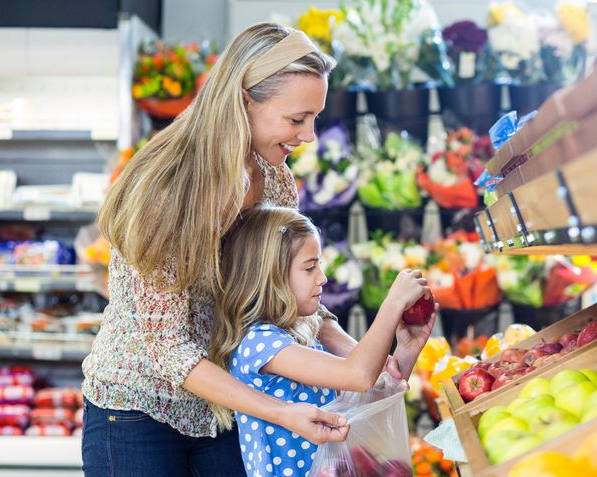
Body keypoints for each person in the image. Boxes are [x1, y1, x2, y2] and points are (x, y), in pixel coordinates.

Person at [82, 23, 379, 476]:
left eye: (314, 118)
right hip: (137, 411)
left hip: (224, 407)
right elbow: (171, 352)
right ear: (244, 102)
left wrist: (358, 357)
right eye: (297, 119)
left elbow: (279, 293)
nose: (309, 136)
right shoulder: (171, 190)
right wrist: (278, 412)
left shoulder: (273, 177)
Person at [210, 206, 437, 477]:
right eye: (309, 268)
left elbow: (368, 396)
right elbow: (358, 374)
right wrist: (392, 304)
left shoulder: (300, 332)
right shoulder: (260, 344)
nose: (323, 278)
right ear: (270, 275)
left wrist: (406, 351)